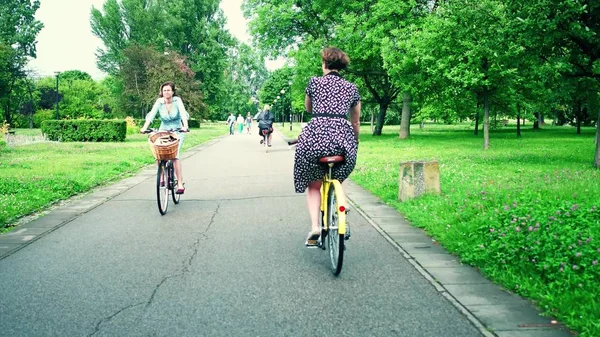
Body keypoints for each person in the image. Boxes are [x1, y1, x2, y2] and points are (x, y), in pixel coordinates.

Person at [293, 47, 361, 246]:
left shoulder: (314, 82)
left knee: (313, 184)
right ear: (341, 66)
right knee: (342, 168)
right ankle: (344, 203)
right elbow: (356, 122)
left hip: (315, 138)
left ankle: (315, 227)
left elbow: (309, 108)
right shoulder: (352, 88)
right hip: (342, 138)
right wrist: (354, 141)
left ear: (324, 64)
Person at [140, 81, 190, 194]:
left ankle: (180, 184)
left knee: (175, 156)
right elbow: (151, 114)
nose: (166, 92)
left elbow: (182, 114)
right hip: (163, 130)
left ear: (172, 92)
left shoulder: (177, 101)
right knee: (159, 153)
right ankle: (161, 175)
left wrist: (185, 126)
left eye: (168, 90)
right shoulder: (159, 102)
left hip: (177, 131)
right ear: (161, 92)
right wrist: (144, 127)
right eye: (164, 90)